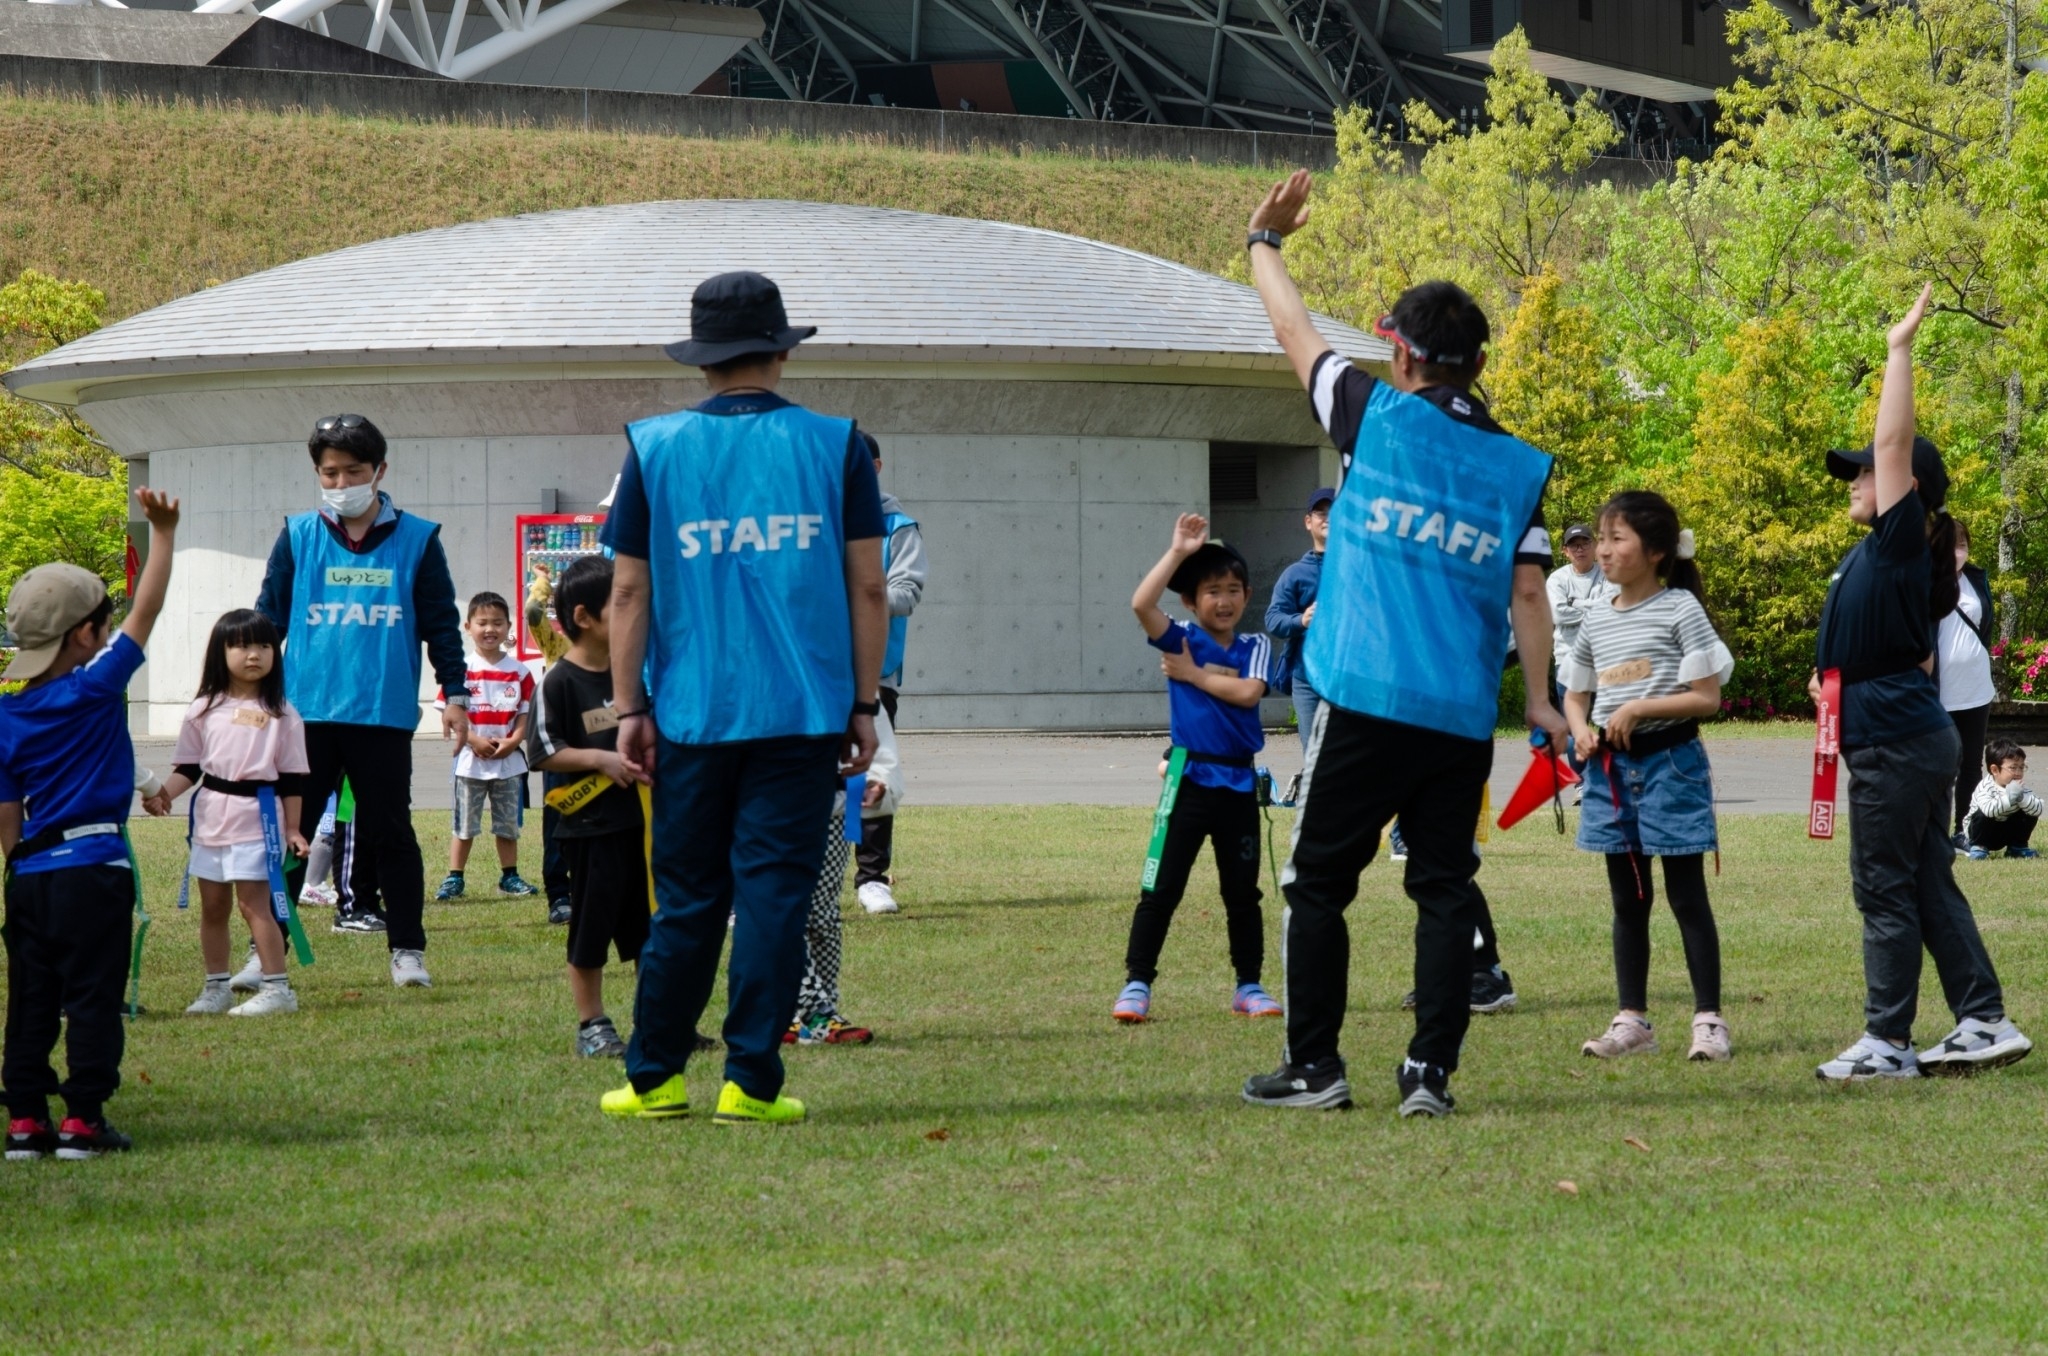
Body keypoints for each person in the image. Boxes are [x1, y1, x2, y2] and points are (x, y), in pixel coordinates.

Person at [1238, 171, 1567, 1118]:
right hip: (1459, 711)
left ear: (1401, 353)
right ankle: (1430, 1074)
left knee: (1316, 882)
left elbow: (1293, 330)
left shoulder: (1370, 415)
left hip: (1364, 693)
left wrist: (1264, 243)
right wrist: (1538, 699)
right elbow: (1531, 590)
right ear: (1475, 362)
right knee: (1444, 885)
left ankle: (1316, 1067)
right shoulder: (1517, 465)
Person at [597, 270, 887, 1126]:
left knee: (688, 900)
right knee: (773, 900)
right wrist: (863, 704)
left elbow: (628, 593)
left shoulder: (654, 447)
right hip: (803, 715)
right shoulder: (836, 445)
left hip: (691, 713)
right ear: (781, 351)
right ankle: (751, 1085)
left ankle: (654, 1079)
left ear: (702, 360)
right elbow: (869, 587)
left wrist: (629, 710)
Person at [1812, 284, 2031, 1080]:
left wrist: (1898, 351)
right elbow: (1917, 662)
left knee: (1884, 887)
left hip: (1896, 743)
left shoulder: (1902, 535)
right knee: (1927, 881)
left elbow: (1893, 439)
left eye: (1864, 471)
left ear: (1905, 486)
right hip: (1901, 734)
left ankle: (1888, 1041)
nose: (1853, 478)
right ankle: (1983, 1020)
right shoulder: (1878, 556)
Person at [256, 413, 470, 990]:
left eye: (353, 471)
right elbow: (266, 623)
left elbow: (442, 625)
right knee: (289, 835)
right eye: (329, 473)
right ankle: (266, 951)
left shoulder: (418, 539)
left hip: (381, 715)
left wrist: (455, 693)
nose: (341, 482)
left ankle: (408, 951)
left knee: (391, 833)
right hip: (305, 716)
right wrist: (246, 696)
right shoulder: (297, 535)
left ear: (380, 470)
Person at [1, 487, 179, 1161]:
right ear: (86, 635)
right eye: (103, 626)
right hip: (93, 869)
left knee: (31, 998)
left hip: (29, 878)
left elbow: (7, 818)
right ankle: (82, 1120)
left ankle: (25, 1120)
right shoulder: (96, 687)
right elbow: (147, 608)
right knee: (92, 997)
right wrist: (163, 532)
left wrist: (21, 871)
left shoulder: (5, 717)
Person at [1562, 492, 1734, 1063]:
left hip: (1672, 767)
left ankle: (1709, 1022)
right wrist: (1580, 729)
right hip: (1611, 775)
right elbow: (1576, 693)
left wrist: (1638, 709)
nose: (1603, 550)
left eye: (1617, 539)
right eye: (1601, 539)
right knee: (1628, 901)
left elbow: (1707, 698)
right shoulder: (1594, 616)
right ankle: (1631, 1021)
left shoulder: (1680, 608)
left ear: (1656, 551)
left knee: (1687, 897)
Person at [1116, 518, 1281, 1025]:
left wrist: (1191, 673)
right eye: (1212, 591)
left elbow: (1249, 693)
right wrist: (1176, 552)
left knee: (1242, 893)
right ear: (1190, 601)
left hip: (1238, 784)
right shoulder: (1179, 637)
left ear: (1247, 594)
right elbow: (1141, 604)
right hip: (1185, 782)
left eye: (1233, 589)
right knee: (1160, 888)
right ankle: (1137, 984)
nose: (1224, 600)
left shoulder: (1255, 646)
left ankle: (1249, 986)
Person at [160, 610, 312, 1018]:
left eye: (264, 646)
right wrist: (164, 795)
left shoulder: (283, 714)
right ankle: (216, 988)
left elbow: (292, 779)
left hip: (257, 819)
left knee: (253, 905)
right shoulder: (202, 709)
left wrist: (293, 829)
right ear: (220, 652)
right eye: (242, 646)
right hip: (212, 817)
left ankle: (278, 989)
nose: (254, 655)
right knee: (213, 907)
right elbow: (189, 767)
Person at [527, 557, 647, 1059]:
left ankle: (658, 1022)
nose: (636, 615)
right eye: (622, 605)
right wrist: (601, 759)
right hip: (589, 830)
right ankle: (591, 1025)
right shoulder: (558, 681)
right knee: (591, 929)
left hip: (641, 826)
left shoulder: (631, 676)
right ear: (583, 616)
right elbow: (542, 751)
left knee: (651, 931)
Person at [787, 707, 902, 1046]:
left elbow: (874, 724)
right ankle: (801, 1012)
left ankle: (822, 1012)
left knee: (823, 915)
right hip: (775, 798)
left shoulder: (854, 683)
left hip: (836, 798)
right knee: (785, 910)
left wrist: (879, 780)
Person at [851, 432, 925, 917]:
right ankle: (811, 879)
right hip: (813, 671)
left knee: (872, 774)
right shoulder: (812, 521)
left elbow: (907, 592)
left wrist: (858, 595)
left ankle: (872, 879)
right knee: (813, 776)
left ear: (874, 468)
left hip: (874, 672)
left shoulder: (897, 526)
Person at [434, 592, 540, 902]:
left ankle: (510, 876)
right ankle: (455, 878)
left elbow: (525, 713)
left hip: (509, 764)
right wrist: (473, 740)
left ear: (509, 627)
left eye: (498, 622)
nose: (490, 629)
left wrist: (514, 741)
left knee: (507, 824)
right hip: (470, 763)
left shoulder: (520, 672)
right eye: (482, 623)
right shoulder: (460, 671)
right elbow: (450, 712)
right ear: (468, 627)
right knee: (464, 824)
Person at [1265, 486, 1332, 767]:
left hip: (1350, 679)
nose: (1328, 517)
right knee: (1315, 758)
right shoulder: (1295, 574)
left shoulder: (1359, 569)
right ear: (1308, 521)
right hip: (1307, 680)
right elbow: (1273, 619)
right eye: (1321, 512)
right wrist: (1301, 620)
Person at [1939, 518, 1996, 845]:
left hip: (1975, 687)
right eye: (1950, 545)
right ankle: (1933, 832)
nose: (1957, 552)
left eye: (1962, 545)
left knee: (1971, 765)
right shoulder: (1922, 581)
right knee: (1938, 764)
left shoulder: (1976, 579)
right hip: (1937, 690)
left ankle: (1965, 831)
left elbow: (1984, 625)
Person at [525, 565, 575, 926]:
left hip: (603, 751)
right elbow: (532, 612)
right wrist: (543, 583)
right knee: (557, 821)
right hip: (561, 752)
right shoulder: (557, 645)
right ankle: (559, 894)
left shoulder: (621, 646)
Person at [1546, 523, 1608, 709]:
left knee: (1613, 724)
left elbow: (1612, 608)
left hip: (1606, 660)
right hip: (1568, 660)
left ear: (1595, 546)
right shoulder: (1557, 579)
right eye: (1574, 545)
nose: (1580, 549)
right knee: (1572, 724)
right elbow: (1558, 614)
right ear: (1565, 551)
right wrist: (1595, 609)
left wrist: (1574, 603)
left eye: (1585, 543)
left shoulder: (1609, 574)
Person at [1961, 740, 2042, 860]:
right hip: (1981, 833)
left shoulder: (2019, 788)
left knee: (2030, 807)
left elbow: (2038, 809)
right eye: (2013, 768)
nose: (2018, 773)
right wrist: (2009, 798)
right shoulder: (1985, 787)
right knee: (1982, 813)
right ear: (1994, 770)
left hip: (2005, 833)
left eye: (2021, 767)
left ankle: (2017, 847)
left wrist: (2022, 798)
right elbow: (1988, 811)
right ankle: (1978, 848)